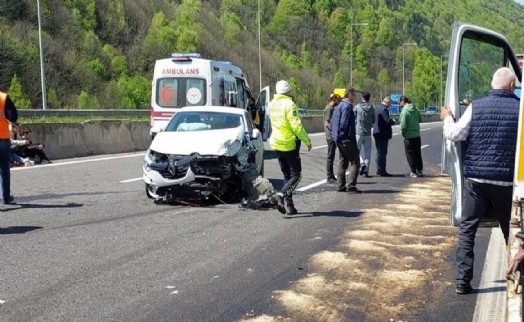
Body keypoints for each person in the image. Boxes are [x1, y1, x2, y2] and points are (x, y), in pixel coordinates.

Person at [441, 67, 519, 295]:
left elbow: (455, 134)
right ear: (512, 86)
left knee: (468, 230)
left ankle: (462, 281)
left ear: (492, 84)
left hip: (476, 180)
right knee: (512, 232)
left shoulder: (477, 105)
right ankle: (517, 276)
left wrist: (447, 119)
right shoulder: (520, 109)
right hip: (506, 183)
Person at [268, 80, 312, 216]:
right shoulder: (289, 104)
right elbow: (296, 126)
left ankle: (289, 206)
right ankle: (280, 195)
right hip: (288, 143)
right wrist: (307, 140)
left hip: (276, 142)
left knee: (287, 175)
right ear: (288, 91)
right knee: (296, 175)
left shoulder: (271, 104)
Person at [330, 88, 362, 193]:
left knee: (343, 162)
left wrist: (337, 136)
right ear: (349, 95)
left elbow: (333, 123)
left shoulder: (338, 106)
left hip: (337, 139)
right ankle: (351, 186)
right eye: (354, 96)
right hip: (346, 139)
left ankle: (340, 186)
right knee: (355, 161)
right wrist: (343, 136)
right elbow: (344, 123)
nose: (355, 98)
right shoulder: (347, 107)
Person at [0, 90, 19, 204]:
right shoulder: (3, 97)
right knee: (4, 168)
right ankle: (5, 196)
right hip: (2, 137)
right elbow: (13, 116)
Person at [399, 95, 423, 177]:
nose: (399, 104)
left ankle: (413, 171)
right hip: (417, 135)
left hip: (408, 136)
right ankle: (420, 170)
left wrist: (403, 132)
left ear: (403, 102)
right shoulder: (415, 109)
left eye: (400, 102)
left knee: (410, 154)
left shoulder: (404, 111)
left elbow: (403, 125)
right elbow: (420, 119)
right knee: (418, 153)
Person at [373, 96, 396, 176]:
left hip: (376, 132)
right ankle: (382, 170)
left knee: (378, 152)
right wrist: (393, 121)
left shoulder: (377, 108)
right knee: (382, 153)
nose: (390, 105)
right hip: (383, 134)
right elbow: (387, 121)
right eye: (390, 103)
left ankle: (378, 169)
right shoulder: (384, 110)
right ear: (388, 102)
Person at [354, 92, 375, 177]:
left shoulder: (358, 107)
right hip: (368, 132)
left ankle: (361, 163)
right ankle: (366, 170)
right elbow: (373, 120)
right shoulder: (371, 108)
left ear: (362, 98)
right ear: (369, 98)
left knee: (355, 151)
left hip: (359, 132)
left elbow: (353, 116)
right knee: (367, 152)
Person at [323, 94, 341, 184]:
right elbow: (327, 123)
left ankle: (331, 175)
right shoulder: (329, 109)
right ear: (334, 99)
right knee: (330, 156)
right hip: (330, 136)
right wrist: (333, 131)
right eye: (338, 100)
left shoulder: (332, 108)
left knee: (332, 156)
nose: (339, 102)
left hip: (332, 135)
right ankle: (329, 176)